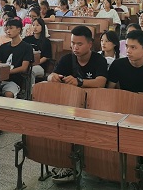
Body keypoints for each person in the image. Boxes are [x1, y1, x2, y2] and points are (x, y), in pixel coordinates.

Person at [47, 25, 108, 184]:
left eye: (79, 44)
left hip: (94, 106)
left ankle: (93, 164)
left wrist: (80, 82)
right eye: (73, 43)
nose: (75, 47)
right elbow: (53, 75)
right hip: (70, 105)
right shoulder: (67, 59)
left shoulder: (99, 60)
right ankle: (67, 163)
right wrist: (52, 77)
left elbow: (101, 82)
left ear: (90, 44)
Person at [0, 19, 34, 98]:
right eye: (7, 28)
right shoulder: (3, 47)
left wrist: (7, 72)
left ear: (19, 29)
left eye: (11, 28)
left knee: (9, 94)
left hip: (15, 80)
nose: (8, 31)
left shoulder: (27, 47)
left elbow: (24, 68)